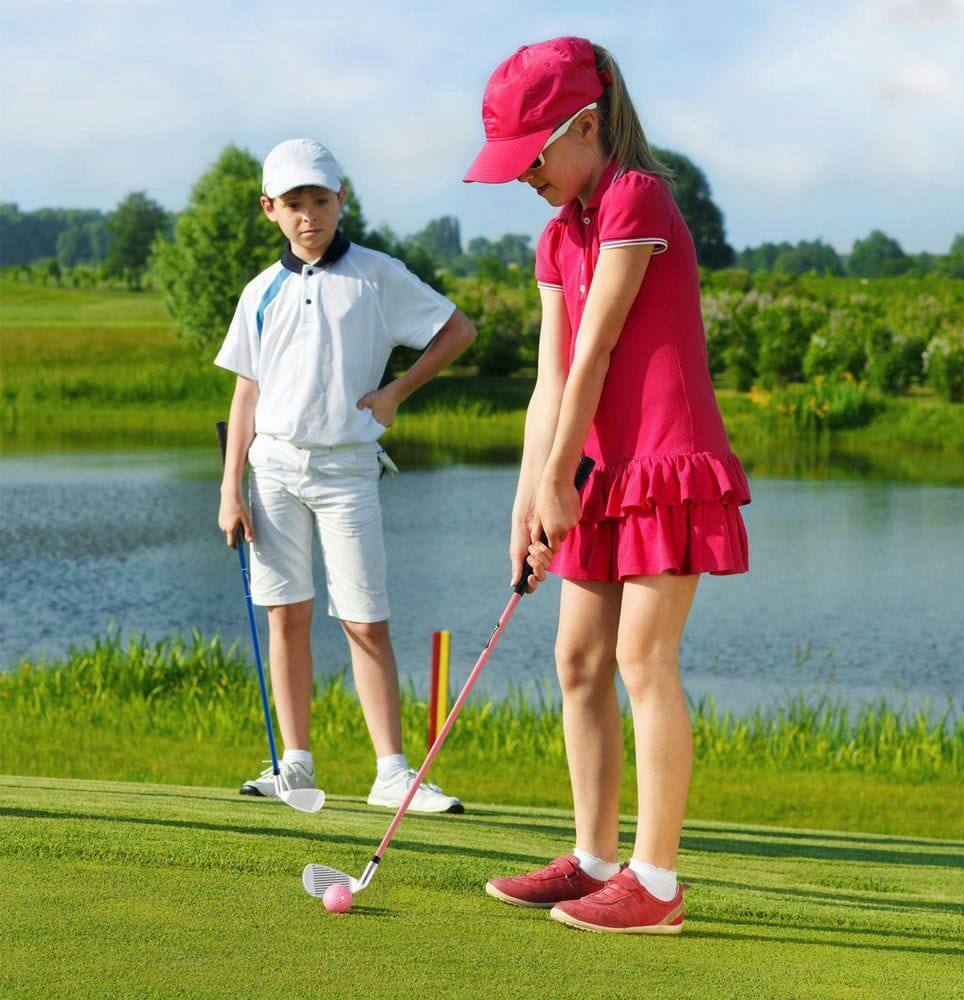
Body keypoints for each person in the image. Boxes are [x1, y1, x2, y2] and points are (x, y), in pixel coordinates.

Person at [464, 38, 751, 933]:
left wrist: (559, 481)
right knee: (577, 660)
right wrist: (527, 502)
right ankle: (592, 860)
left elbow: (599, 349)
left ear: (585, 126)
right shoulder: (558, 235)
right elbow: (551, 381)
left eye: (534, 157)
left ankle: (656, 883)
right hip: (591, 475)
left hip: (665, 464)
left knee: (641, 660)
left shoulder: (636, 197)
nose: (525, 178)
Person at [216, 138, 476, 813]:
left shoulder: (377, 274)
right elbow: (246, 393)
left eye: (321, 201)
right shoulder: (260, 291)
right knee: (287, 616)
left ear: (342, 200)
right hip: (271, 468)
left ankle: (392, 773)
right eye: (294, 204)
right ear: (269, 209)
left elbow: (457, 330)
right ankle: (295, 766)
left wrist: (395, 392)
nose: (309, 215)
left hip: (347, 470)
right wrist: (228, 490)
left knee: (365, 619)